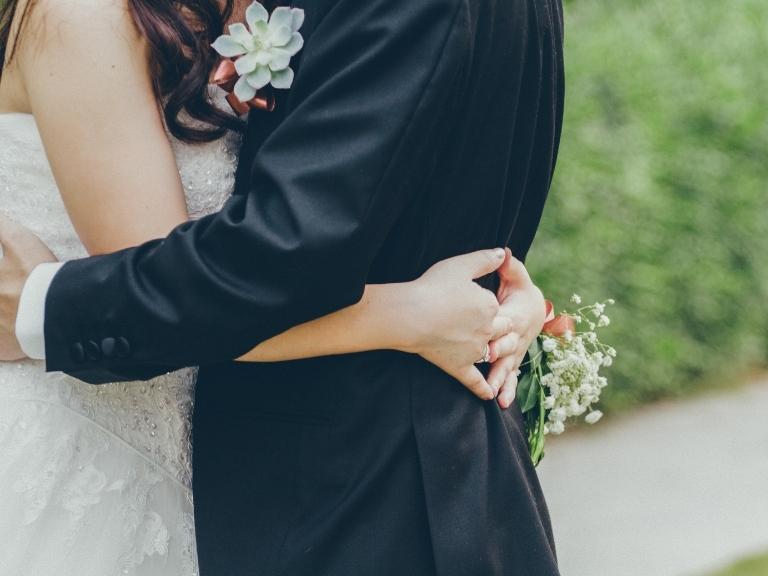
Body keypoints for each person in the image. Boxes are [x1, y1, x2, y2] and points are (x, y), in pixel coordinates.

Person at [0, 0, 563, 574]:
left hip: (310, 466)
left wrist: (486, 298)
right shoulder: (80, 17)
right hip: (104, 442)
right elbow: (203, 281)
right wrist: (411, 314)